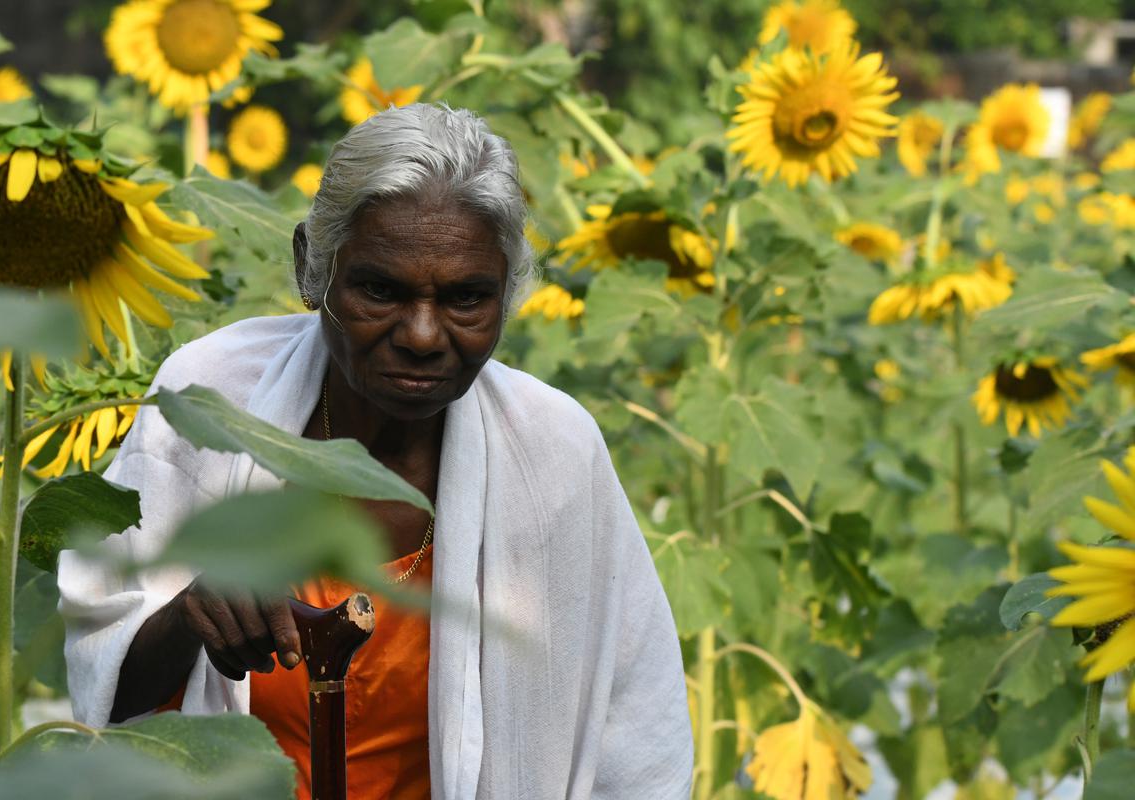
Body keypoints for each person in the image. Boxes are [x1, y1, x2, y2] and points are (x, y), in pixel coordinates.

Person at [58, 103, 693, 799]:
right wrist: (190, 615)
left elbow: (635, 739)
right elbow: (103, 689)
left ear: (507, 293)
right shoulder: (212, 401)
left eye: (466, 298)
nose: (423, 334)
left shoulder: (554, 455)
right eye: (380, 289)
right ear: (312, 268)